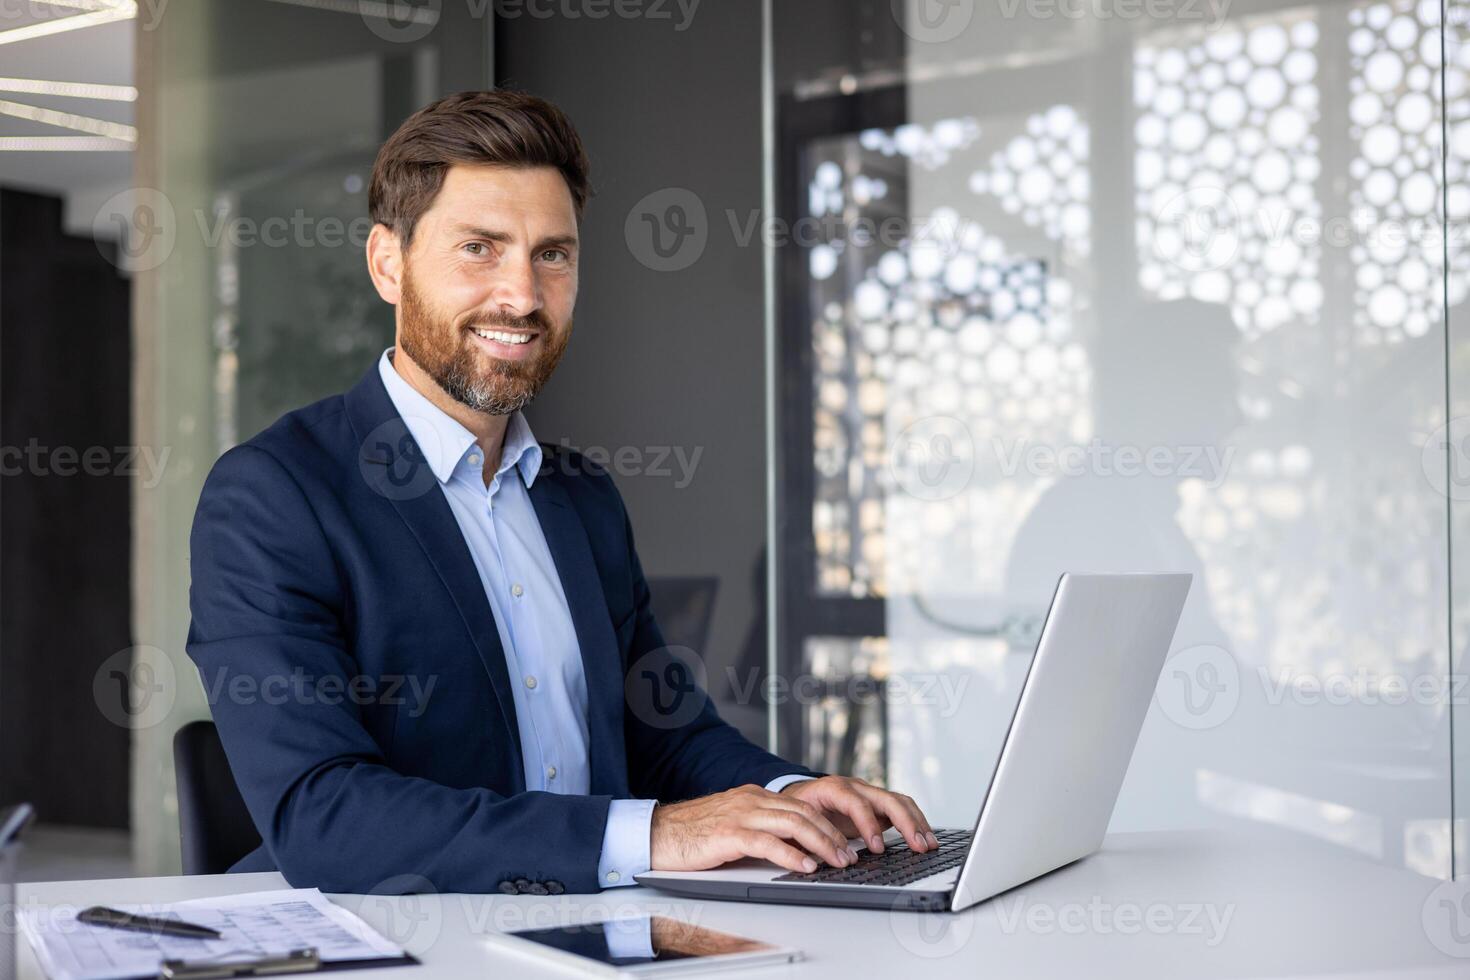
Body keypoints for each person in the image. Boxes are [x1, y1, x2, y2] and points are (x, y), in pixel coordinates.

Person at [186, 90, 936, 895]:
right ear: (387, 263)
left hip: (593, 936)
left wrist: (793, 796)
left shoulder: (580, 497)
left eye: (553, 254)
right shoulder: (273, 496)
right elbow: (323, 817)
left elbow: (666, 735)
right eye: (480, 248)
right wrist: (651, 835)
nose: (522, 296)